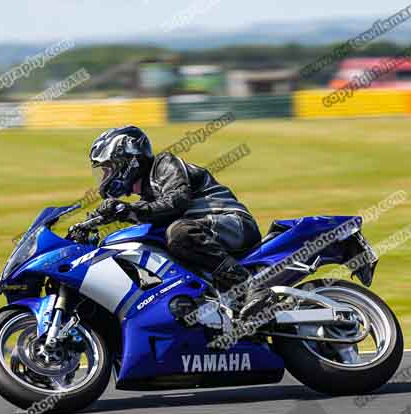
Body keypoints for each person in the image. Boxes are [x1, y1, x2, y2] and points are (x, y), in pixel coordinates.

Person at [83, 124, 272, 319]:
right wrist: (89, 224)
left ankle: (250, 287)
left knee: (179, 233)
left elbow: (178, 200)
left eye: (108, 168)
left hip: (233, 223)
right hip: (208, 230)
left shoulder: (164, 165)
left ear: (129, 160)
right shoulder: (148, 196)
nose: (105, 176)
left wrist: (130, 210)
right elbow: (150, 210)